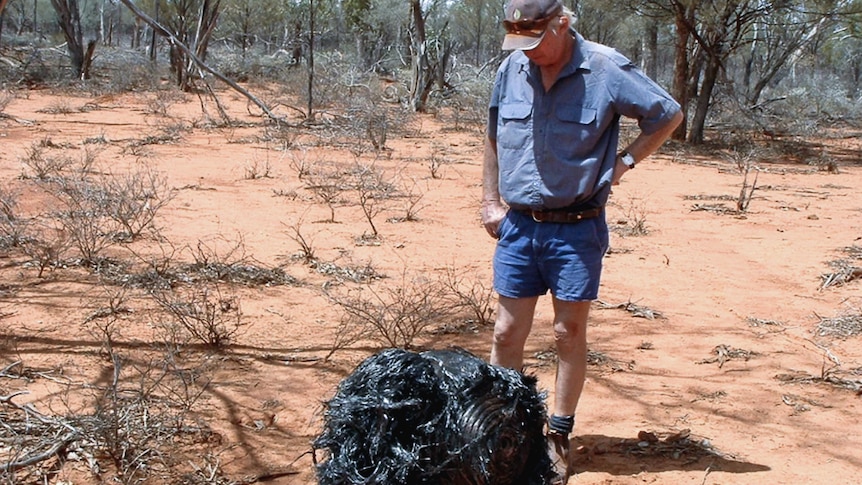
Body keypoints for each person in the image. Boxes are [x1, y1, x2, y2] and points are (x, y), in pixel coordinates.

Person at [481, 0, 684, 482]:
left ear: (562, 23)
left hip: (577, 227)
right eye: (519, 43)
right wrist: (490, 199)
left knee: (566, 332)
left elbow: (667, 115)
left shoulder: (606, 67)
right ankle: (503, 428)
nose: (528, 53)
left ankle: (557, 433)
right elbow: (492, 136)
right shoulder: (512, 66)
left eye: (536, 41)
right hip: (520, 225)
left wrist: (624, 163)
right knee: (506, 333)